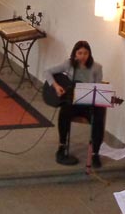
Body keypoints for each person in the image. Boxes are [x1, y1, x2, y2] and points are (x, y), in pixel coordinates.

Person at [44, 40, 105, 168]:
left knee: (99, 116)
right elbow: (47, 72)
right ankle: (62, 146)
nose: (83, 56)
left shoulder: (97, 67)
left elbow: (98, 88)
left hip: (88, 104)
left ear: (89, 54)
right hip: (73, 102)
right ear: (75, 54)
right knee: (64, 112)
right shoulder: (69, 64)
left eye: (86, 53)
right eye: (80, 53)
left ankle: (95, 153)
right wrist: (56, 86)